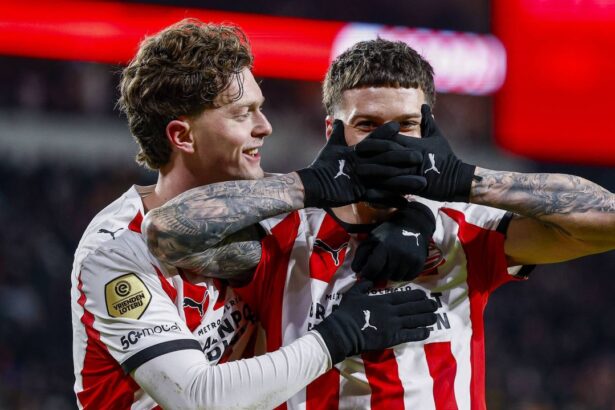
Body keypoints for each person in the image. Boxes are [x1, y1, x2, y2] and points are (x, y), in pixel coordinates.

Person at [144, 37, 615, 409]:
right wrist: (312, 184)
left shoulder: (462, 227)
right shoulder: (286, 230)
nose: (390, 141)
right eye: (368, 125)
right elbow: (166, 232)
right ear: (333, 132)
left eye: (406, 125)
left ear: (429, 130)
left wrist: (465, 180)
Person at [70, 20, 440, 409]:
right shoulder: (114, 252)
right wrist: (338, 336)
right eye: (242, 114)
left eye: (259, 109)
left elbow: (361, 200)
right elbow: (198, 398)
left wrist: (414, 219)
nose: (265, 127)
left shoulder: (263, 206)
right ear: (182, 136)